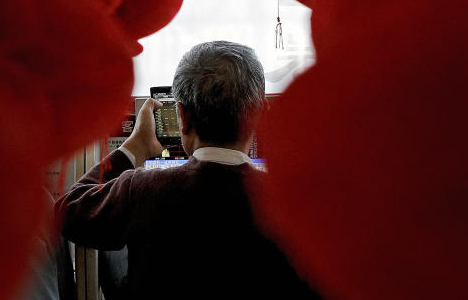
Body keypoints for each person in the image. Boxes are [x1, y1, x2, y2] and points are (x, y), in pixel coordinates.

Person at [56, 41, 320, 299]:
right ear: (261, 114)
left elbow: (69, 209)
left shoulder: (143, 190)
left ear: (181, 116)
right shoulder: (296, 208)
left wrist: (133, 149)